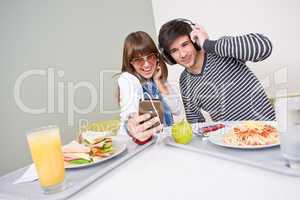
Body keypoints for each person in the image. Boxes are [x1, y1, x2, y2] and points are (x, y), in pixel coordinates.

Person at [158, 18, 276, 123]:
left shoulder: (221, 49)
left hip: (268, 131)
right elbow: (195, 124)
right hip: (232, 141)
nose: (182, 54)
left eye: (185, 44)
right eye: (174, 51)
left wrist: (208, 44)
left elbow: (264, 47)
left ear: (194, 41)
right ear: (169, 57)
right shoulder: (185, 81)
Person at [118, 31, 181, 144]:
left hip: (163, 144)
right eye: (138, 60)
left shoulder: (159, 79)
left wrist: (159, 82)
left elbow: (177, 109)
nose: (146, 64)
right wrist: (130, 125)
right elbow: (129, 114)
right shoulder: (128, 79)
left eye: (150, 57)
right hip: (138, 146)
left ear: (156, 57)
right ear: (130, 62)